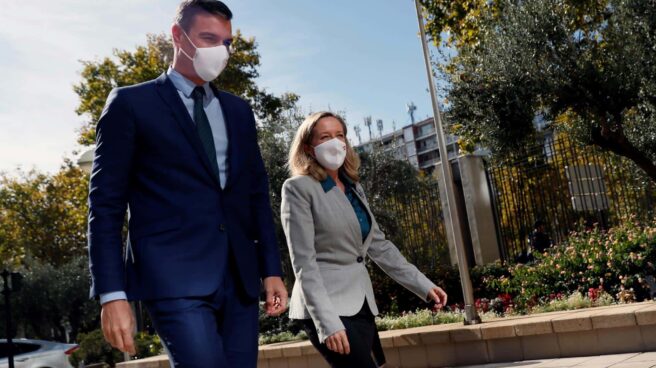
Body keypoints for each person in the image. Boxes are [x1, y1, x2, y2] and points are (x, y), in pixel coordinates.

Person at [86, 1, 287, 367]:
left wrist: (271, 269)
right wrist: (112, 294)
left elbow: (256, 195)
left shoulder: (239, 111)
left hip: (240, 278)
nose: (220, 51)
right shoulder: (131, 104)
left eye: (226, 42)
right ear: (178, 36)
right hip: (172, 279)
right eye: (208, 38)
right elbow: (105, 206)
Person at [281, 111, 448, 368]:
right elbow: (304, 263)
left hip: (360, 303)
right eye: (325, 137)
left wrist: (423, 285)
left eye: (339, 135)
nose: (335, 142)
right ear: (308, 147)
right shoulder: (298, 188)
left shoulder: (353, 188)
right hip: (325, 306)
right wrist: (327, 322)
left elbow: (379, 246)